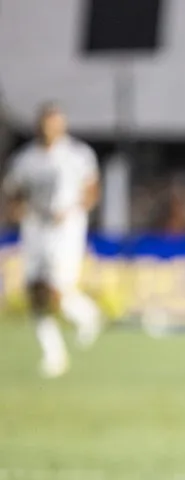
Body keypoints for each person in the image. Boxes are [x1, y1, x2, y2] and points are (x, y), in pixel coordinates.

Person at [2, 102, 102, 377]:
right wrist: (16, 209)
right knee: (34, 290)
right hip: (35, 226)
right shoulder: (25, 159)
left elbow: (92, 190)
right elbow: (14, 192)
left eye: (56, 122)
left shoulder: (78, 155)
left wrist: (73, 210)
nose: (51, 128)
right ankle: (53, 354)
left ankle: (87, 315)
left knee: (57, 289)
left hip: (66, 228)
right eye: (47, 123)